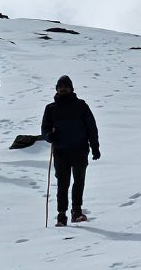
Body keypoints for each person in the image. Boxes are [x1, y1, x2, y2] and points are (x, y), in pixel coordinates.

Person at [41, 75, 101, 226]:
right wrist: (49, 136)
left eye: (66, 86)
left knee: (79, 181)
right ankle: (61, 215)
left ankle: (76, 211)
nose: (63, 89)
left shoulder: (81, 106)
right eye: (60, 86)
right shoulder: (51, 108)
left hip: (79, 149)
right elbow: (45, 129)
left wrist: (95, 147)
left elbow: (91, 128)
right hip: (61, 151)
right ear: (56, 89)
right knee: (63, 183)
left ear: (71, 89)